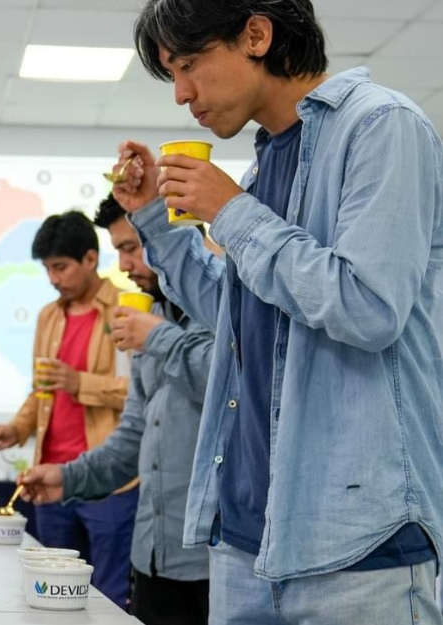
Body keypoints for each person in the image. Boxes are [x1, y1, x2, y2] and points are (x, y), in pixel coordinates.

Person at [107, 1, 443, 622]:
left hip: (356, 547)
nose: (182, 94)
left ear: (256, 34)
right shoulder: (266, 164)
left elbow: (368, 307)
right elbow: (230, 314)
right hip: (245, 540)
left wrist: (231, 212)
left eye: (189, 65)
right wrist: (154, 212)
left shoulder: (383, 127)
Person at [19, 195, 213, 625]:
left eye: (132, 247)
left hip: (214, 562)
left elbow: (228, 388)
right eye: (120, 250)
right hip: (153, 556)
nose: (123, 266)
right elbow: (132, 438)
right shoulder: (150, 314)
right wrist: (66, 478)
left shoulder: (225, 313)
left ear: (177, 235)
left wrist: (159, 339)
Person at [0, 210, 134, 608]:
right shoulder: (49, 316)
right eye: (47, 268)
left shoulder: (127, 307)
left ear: (90, 258)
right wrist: (15, 430)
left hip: (108, 483)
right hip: (51, 480)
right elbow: (42, 391)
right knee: (49, 598)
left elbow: (139, 394)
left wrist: (79, 382)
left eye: (61, 267)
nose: (53, 278)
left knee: (110, 599)